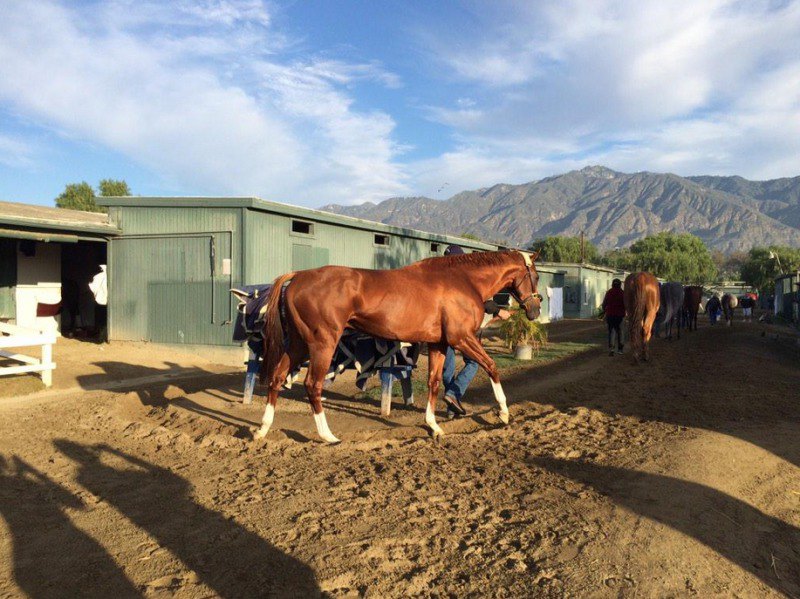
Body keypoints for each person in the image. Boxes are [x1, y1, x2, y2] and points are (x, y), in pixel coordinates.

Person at [441, 244, 511, 418]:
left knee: (447, 369)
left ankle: (452, 404)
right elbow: (484, 300)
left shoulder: (440, 280)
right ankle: (453, 397)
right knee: (473, 362)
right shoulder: (468, 278)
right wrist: (498, 311)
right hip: (464, 331)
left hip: (443, 330)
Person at [601, 278, 625, 356]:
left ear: (612, 284)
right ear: (620, 285)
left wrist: (605, 311)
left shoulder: (609, 292)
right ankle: (620, 349)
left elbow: (604, 304)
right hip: (620, 316)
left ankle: (612, 349)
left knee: (612, 331)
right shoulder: (622, 293)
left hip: (610, 315)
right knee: (620, 332)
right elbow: (626, 305)